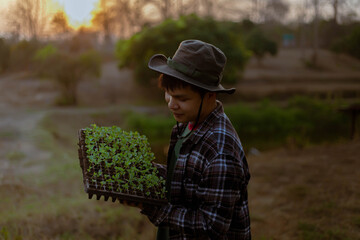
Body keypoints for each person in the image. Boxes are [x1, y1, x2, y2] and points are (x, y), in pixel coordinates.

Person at [141, 39, 251, 240]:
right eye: (168, 94)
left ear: (209, 96)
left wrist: (153, 208)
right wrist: (148, 173)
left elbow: (211, 227)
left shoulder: (221, 153)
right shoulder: (188, 124)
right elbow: (186, 177)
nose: (171, 104)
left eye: (182, 99)